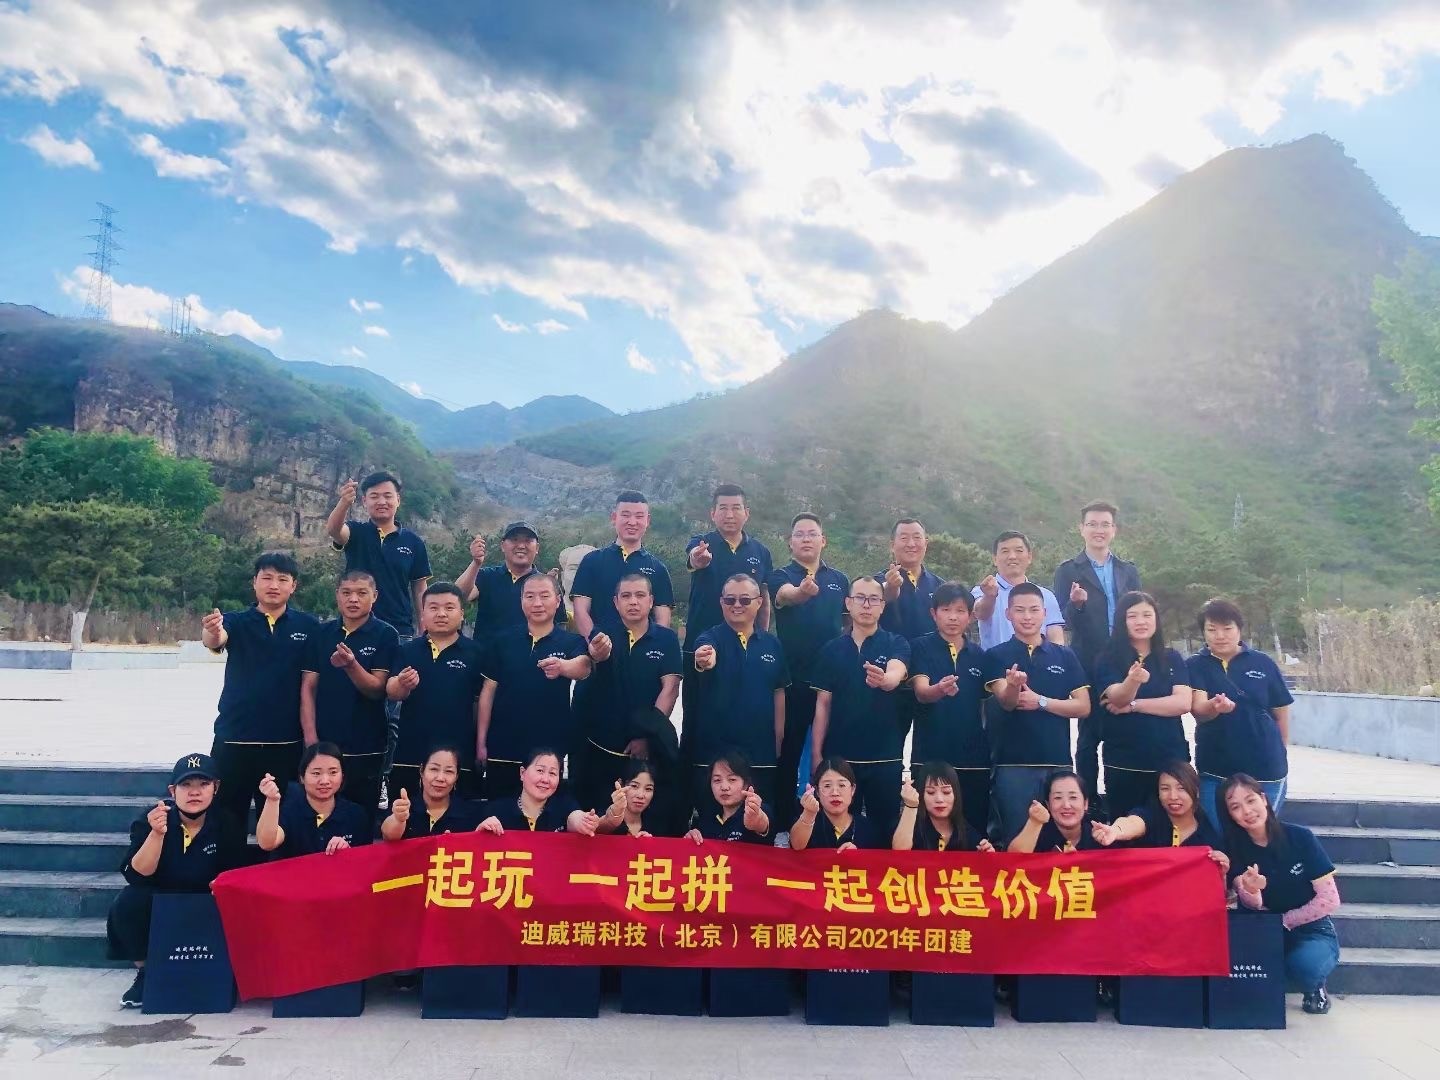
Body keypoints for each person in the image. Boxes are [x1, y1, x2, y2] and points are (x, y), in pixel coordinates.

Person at [108, 753, 247, 1009]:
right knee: (128, 902)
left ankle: (224, 971)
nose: (195, 792)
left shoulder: (227, 822)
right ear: (173, 791)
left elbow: (234, 872)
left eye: (203, 784)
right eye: (186, 785)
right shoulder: (151, 819)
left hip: (207, 897)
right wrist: (156, 834)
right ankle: (146, 972)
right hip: (162, 895)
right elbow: (137, 874)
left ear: (216, 788)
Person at [202, 552, 319, 826]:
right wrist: (213, 631)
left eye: (282, 579)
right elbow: (215, 639)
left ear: (293, 585)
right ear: (254, 582)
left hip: (285, 744)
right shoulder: (236, 621)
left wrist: (311, 740)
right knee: (227, 821)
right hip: (234, 740)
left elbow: (311, 684)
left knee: (281, 823)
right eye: (266, 578)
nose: (274, 585)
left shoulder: (309, 626)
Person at [1221, 773, 1341, 1015]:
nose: (1247, 811)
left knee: (1307, 965)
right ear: (1229, 815)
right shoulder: (1232, 848)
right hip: (1259, 929)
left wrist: (1284, 921)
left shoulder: (1300, 837)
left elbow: (1329, 899)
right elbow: (1251, 904)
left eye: (1251, 800)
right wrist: (1252, 890)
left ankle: (1315, 986)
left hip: (1310, 928)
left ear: (1264, 799)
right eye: (1236, 807)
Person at [983, 582, 1090, 846]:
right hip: (1013, 766)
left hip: (1058, 763)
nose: (1027, 617)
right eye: (1020, 610)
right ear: (1008, 614)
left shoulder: (1064, 656)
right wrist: (1013, 685)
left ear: (1044, 613)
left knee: (1061, 841)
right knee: (1018, 841)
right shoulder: (996, 656)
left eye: (1034, 610)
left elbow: (1083, 707)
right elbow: (1007, 702)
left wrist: (1041, 702)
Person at [1053, 501, 1142, 802]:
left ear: (1114, 529)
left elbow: (1140, 613)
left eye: (1105, 524)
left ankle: (1124, 799)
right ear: (1082, 529)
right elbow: (1062, 619)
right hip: (1087, 660)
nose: (1098, 530)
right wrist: (1076, 603)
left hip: (1125, 660)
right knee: (1088, 736)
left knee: (1125, 727)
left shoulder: (1127, 571)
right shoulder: (1068, 570)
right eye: (1092, 524)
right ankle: (1087, 802)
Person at [765, 512, 849, 831]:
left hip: (833, 681)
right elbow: (785, 595)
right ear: (790, 542)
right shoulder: (780, 575)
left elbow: (850, 620)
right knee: (788, 751)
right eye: (799, 534)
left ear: (823, 540)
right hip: (794, 679)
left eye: (812, 534)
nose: (806, 539)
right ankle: (783, 825)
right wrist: (802, 592)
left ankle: (832, 825)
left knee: (832, 752)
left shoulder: (839, 580)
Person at [573, 571, 682, 817]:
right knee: (598, 817)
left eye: (640, 595)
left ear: (651, 601)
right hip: (599, 748)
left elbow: (670, 689)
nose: (633, 601)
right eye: (626, 596)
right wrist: (593, 655)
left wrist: (647, 736)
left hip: (643, 752)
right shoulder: (601, 635)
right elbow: (583, 666)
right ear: (615, 602)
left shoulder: (666, 639)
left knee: (640, 822)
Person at [810, 577, 910, 838]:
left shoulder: (896, 643)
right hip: (841, 760)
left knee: (885, 830)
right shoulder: (831, 650)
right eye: (860, 598)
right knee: (836, 831)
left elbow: (896, 672)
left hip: (885, 757)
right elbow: (823, 705)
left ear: (882, 606)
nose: (866, 605)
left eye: (874, 599)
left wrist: (885, 680)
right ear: (848, 603)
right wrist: (816, 754)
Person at [478, 573, 591, 799]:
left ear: (557, 601)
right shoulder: (502, 641)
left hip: (548, 748)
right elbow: (488, 693)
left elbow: (584, 666)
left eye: (544, 596)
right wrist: (481, 742)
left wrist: (562, 666)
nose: (537, 603)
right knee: (499, 810)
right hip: (503, 745)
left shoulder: (571, 642)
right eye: (530, 596)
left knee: (545, 812)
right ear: (521, 601)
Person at [300, 570, 398, 825]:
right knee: (319, 817)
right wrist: (311, 738)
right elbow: (308, 687)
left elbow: (377, 689)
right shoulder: (321, 634)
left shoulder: (385, 634)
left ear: (374, 596)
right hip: (325, 742)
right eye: (346, 593)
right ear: (337, 596)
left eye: (361, 593)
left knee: (361, 818)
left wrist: (351, 666)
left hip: (368, 744)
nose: (353, 599)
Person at [1188, 598, 1294, 827]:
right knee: (1217, 834)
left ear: (1239, 629)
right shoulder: (1195, 665)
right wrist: (1214, 707)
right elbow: (1199, 710)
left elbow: (1281, 711)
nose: (1220, 636)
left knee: (1260, 833)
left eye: (1227, 628)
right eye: (1212, 630)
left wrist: (1281, 749)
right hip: (1215, 770)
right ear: (1203, 632)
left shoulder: (1263, 663)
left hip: (1265, 769)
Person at [687, 574, 789, 812]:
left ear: (759, 602)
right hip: (715, 753)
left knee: (758, 820)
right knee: (713, 823)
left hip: (760, 752)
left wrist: (778, 739)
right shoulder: (709, 638)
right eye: (730, 600)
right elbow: (704, 655)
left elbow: (779, 693)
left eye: (744, 600)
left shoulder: (772, 644)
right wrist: (705, 659)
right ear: (721, 602)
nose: (736, 605)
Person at [1092, 591, 1191, 818]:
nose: (1141, 621)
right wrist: (1133, 681)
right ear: (1121, 621)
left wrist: (1135, 705)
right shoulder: (1108, 658)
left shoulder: (1171, 658)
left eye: (1147, 615)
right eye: (1132, 616)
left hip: (1170, 763)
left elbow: (1183, 703)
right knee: (1126, 829)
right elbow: (1117, 698)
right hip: (1125, 764)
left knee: (1171, 828)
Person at [386, 583, 485, 801]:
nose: (441, 614)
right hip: (412, 752)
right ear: (423, 614)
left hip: (460, 752)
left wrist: (480, 744)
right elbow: (392, 692)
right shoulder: (407, 650)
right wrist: (402, 683)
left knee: (459, 816)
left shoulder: (477, 654)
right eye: (433, 608)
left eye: (449, 608)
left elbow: (480, 703)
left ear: (461, 613)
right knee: (406, 812)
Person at [908, 583, 991, 832]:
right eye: (946, 610)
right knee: (926, 829)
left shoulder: (980, 656)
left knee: (973, 828)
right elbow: (922, 693)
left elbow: (986, 708)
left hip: (973, 760)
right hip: (929, 755)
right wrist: (939, 690)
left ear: (971, 616)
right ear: (933, 614)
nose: (953, 617)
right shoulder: (919, 647)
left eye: (960, 610)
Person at [325, 471, 431, 639]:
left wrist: (425, 627)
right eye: (374, 496)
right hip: (356, 629)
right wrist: (344, 502)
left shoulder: (414, 542)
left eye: (388, 496)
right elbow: (333, 530)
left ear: (398, 500)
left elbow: (419, 589)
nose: (382, 502)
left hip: (399, 630)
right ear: (364, 501)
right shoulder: (355, 531)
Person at [875, 518, 944, 745]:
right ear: (892, 545)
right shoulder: (876, 583)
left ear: (926, 543)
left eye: (916, 537)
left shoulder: (940, 586)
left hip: (931, 679)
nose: (911, 543)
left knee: (932, 748)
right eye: (904, 538)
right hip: (888, 680)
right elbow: (880, 597)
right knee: (888, 745)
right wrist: (889, 587)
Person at [571, 490, 674, 639]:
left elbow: (662, 619)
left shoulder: (658, 569)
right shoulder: (592, 561)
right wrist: (595, 642)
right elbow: (580, 610)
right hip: (598, 649)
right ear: (614, 517)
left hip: (643, 650)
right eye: (626, 515)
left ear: (647, 520)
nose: (632, 522)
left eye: (639, 516)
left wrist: (653, 647)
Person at [1090, 762, 1229, 872]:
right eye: (1165, 789)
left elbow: (1215, 890)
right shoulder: (1153, 815)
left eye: (1181, 788)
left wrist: (1221, 872)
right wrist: (1115, 831)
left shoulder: (1208, 834)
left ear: (1197, 792)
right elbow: (1134, 822)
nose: (1173, 796)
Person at [455, 521, 567, 647]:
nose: (521, 546)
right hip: (486, 657)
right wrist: (476, 563)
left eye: (528, 540)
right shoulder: (486, 576)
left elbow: (560, 627)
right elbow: (457, 596)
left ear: (537, 548)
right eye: (514, 540)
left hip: (531, 657)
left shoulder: (547, 585)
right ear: (503, 546)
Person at [255, 742, 372, 859]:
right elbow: (267, 843)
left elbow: (365, 860)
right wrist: (272, 800)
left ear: (342, 776)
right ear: (302, 777)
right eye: (316, 773)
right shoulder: (289, 812)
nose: (325, 781)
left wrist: (348, 852)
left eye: (333, 772)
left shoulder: (356, 814)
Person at [972, 531, 1066, 650]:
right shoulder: (982, 592)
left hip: (1038, 661)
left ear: (1029, 557)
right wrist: (990, 597)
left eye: (1019, 551)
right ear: (995, 559)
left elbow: (1056, 640)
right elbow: (980, 613)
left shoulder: (1046, 595)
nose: (1012, 556)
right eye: (1005, 551)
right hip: (995, 661)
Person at [476, 748, 603, 834]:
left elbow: (574, 818)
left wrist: (584, 822)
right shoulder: (497, 811)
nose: (545, 779)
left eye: (552, 773)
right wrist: (481, 833)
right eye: (540, 771)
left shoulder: (564, 806)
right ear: (522, 773)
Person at [380, 745, 482, 839]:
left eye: (449, 771)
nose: (440, 778)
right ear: (422, 771)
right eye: (434, 769)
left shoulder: (470, 815)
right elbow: (388, 836)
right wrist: (398, 819)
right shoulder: (403, 808)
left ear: (456, 777)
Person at [892, 762, 995, 853]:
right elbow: (899, 852)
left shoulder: (967, 832)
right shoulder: (910, 827)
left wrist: (986, 854)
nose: (939, 799)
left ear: (956, 795)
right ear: (921, 794)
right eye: (931, 792)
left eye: (946, 792)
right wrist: (911, 805)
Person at [789, 758, 884, 851]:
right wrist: (809, 813)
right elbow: (796, 846)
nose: (835, 793)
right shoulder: (808, 820)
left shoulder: (867, 829)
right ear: (817, 791)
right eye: (827, 786)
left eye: (841, 785)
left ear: (853, 789)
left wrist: (857, 857)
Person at [685, 752, 775, 844]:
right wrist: (692, 837)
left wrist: (757, 819)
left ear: (746, 784)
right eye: (717, 780)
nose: (724, 787)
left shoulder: (756, 809)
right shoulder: (707, 817)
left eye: (732, 779)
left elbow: (762, 823)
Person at [1007, 769, 1103, 853]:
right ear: (1048, 805)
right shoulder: (1037, 830)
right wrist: (1034, 823)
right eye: (1058, 798)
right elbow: (1013, 859)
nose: (1066, 805)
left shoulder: (1097, 833)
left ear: (1085, 803)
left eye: (1073, 797)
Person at [595, 758, 670, 837]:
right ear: (621, 784)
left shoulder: (657, 825)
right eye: (634, 786)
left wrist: (650, 843)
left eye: (648, 789)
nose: (640, 795)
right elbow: (598, 829)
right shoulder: (601, 817)